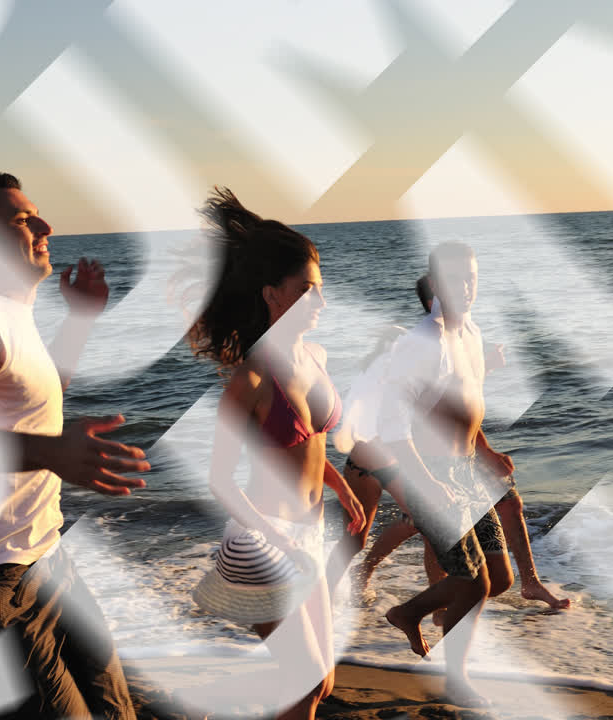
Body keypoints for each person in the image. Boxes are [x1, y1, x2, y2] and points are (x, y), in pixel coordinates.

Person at [0, 172, 150, 720]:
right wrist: (48, 453)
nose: (45, 226)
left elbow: (36, 393)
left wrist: (80, 319)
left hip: (45, 560)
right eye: (23, 220)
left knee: (117, 710)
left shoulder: (10, 315)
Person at [187, 188, 366, 720]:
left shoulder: (315, 355)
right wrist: (276, 536)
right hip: (263, 541)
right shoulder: (251, 379)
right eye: (307, 290)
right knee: (307, 683)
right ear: (273, 295)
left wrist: (341, 485)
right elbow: (220, 479)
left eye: (321, 289)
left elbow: (307, 448)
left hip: (309, 534)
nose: (321, 302)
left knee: (321, 683)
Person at [335, 276, 570, 615]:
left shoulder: (458, 341)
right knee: (402, 527)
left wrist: (486, 449)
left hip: (460, 455)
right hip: (392, 461)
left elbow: (464, 412)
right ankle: (412, 591)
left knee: (508, 504)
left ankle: (521, 584)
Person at [374, 242, 500, 707]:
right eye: (455, 278)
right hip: (435, 475)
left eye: (471, 276)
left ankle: (411, 613)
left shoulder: (471, 335)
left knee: (497, 576)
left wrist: (486, 453)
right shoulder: (421, 343)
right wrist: (428, 482)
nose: (465, 287)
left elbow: (465, 405)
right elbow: (392, 425)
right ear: (435, 283)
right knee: (475, 581)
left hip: (468, 471)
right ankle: (455, 676)